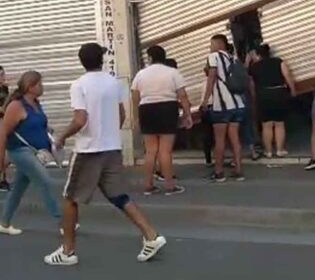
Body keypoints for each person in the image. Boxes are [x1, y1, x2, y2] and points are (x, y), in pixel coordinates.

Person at [45, 43, 166, 265]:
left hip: (88, 150)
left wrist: (62, 137)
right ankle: (151, 235)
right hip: (112, 148)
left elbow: (80, 119)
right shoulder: (113, 82)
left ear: (81, 61)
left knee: (70, 198)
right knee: (118, 195)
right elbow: (121, 115)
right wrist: (108, 133)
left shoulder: (79, 85)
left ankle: (67, 251)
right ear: (101, 60)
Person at [0, 71, 61, 235]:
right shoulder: (16, 106)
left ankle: (4, 223)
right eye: (39, 84)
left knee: (18, 189)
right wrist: (2, 159)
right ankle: (63, 222)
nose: (42, 87)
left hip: (36, 152)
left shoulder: (36, 104)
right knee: (45, 181)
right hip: (20, 151)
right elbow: (4, 133)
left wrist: (49, 134)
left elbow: (37, 125)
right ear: (30, 86)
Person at [132, 46, 192, 196]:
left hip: (146, 109)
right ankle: (169, 186)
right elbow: (183, 95)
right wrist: (187, 114)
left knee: (150, 150)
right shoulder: (173, 72)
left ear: (150, 58)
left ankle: (148, 185)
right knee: (165, 150)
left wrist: (136, 117)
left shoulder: (141, 74)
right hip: (167, 109)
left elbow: (135, 97)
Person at [201, 34, 246, 182]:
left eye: (211, 44)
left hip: (222, 105)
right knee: (235, 139)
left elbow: (211, 78)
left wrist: (205, 100)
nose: (210, 47)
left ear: (219, 44)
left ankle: (219, 172)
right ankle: (238, 171)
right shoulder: (233, 58)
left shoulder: (214, 57)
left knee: (219, 140)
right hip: (238, 104)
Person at [249, 44, 296, 159]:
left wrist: (254, 98)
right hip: (279, 93)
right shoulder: (279, 62)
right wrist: (293, 90)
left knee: (266, 125)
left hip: (263, 95)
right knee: (279, 123)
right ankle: (279, 150)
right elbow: (287, 76)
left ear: (258, 54)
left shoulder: (254, 67)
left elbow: (252, 85)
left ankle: (268, 151)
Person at [0, 66, 10, 192]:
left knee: (6, 151)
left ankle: (3, 178)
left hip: (5, 119)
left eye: (3, 74)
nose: (2, 77)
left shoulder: (4, 88)